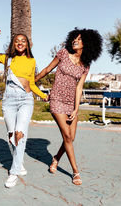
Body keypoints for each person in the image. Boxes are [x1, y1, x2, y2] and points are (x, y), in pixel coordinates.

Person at [0, 28, 48, 188]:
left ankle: (14, 172)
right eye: (17, 41)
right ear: (13, 44)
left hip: (26, 100)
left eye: (23, 41)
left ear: (27, 44)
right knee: (12, 136)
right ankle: (20, 163)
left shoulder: (32, 61)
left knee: (20, 134)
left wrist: (43, 95)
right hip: (9, 100)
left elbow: (31, 84)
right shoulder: (7, 59)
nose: (20, 43)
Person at [35, 28, 102, 186]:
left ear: (87, 43)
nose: (75, 41)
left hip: (71, 103)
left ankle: (56, 158)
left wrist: (76, 108)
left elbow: (79, 87)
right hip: (57, 99)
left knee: (71, 138)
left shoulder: (85, 65)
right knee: (66, 136)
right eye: (74, 38)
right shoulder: (63, 53)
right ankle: (75, 171)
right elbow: (47, 69)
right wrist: (32, 82)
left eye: (79, 39)